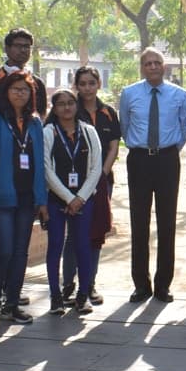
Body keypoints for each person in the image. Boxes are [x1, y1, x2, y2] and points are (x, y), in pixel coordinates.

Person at [120, 49, 186, 302]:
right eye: (147, 63)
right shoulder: (129, 94)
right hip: (139, 159)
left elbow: (184, 129)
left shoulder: (180, 95)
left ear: (164, 66)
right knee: (139, 223)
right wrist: (140, 148)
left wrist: (167, 149)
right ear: (141, 67)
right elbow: (124, 127)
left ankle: (163, 285)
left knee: (167, 222)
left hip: (167, 160)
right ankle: (141, 284)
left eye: (157, 63)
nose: (153, 67)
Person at [0, 72, 48, 323]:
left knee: (21, 253)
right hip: (2, 197)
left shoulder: (35, 123)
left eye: (25, 89)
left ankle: (12, 303)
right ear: (5, 92)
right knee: (4, 251)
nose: (20, 93)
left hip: (27, 197)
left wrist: (41, 199)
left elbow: (40, 162)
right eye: (15, 89)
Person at [62, 66, 120, 305]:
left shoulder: (108, 112)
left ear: (98, 84)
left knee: (95, 234)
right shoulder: (68, 110)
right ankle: (68, 285)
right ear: (77, 85)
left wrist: (100, 176)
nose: (87, 88)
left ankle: (89, 285)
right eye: (82, 83)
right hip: (71, 185)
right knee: (73, 236)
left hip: (101, 183)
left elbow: (114, 146)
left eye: (91, 83)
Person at [44, 88, 102, 316]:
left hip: (84, 199)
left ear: (77, 105)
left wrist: (80, 198)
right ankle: (55, 297)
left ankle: (82, 296)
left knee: (82, 246)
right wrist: (68, 198)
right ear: (54, 108)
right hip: (56, 200)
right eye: (61, 104)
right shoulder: (48, 132)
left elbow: (96, 168)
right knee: (56, 245)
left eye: (70, 103)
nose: (66, 108)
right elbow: (46, 169)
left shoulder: (89, 132)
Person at [0, 28, 47, 117]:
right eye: (18, 46)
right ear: (7, 49)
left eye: (27, 46)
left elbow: (41, 115)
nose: (23, 50)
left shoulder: (37, 83)